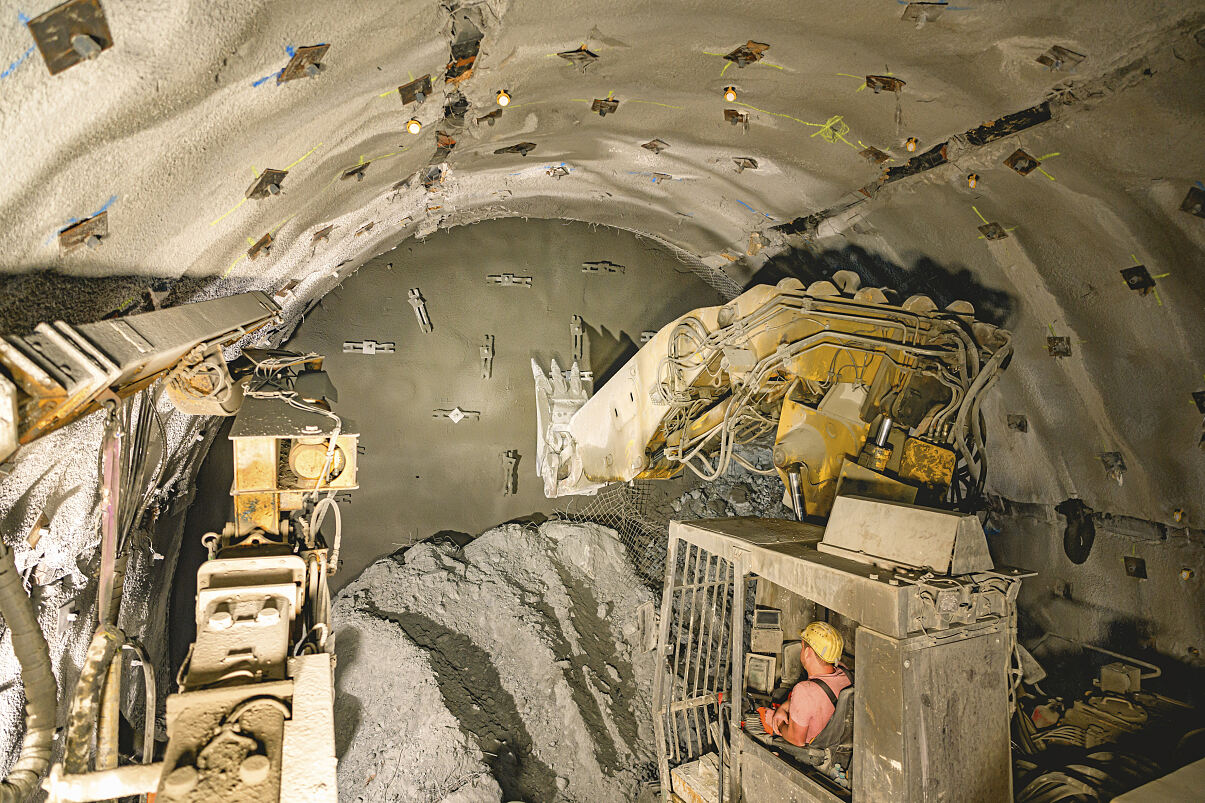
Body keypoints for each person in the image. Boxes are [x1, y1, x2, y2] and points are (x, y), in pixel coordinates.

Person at [758, 622, 850, 747]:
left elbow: (796, 740)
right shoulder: (845, 673)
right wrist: (783, 708)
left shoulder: (805, 690)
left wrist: (778, 721)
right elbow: (814, 700)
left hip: (813, 754)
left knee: (763, 716)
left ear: (807, 652)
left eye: (802, 647)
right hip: (838, 746)